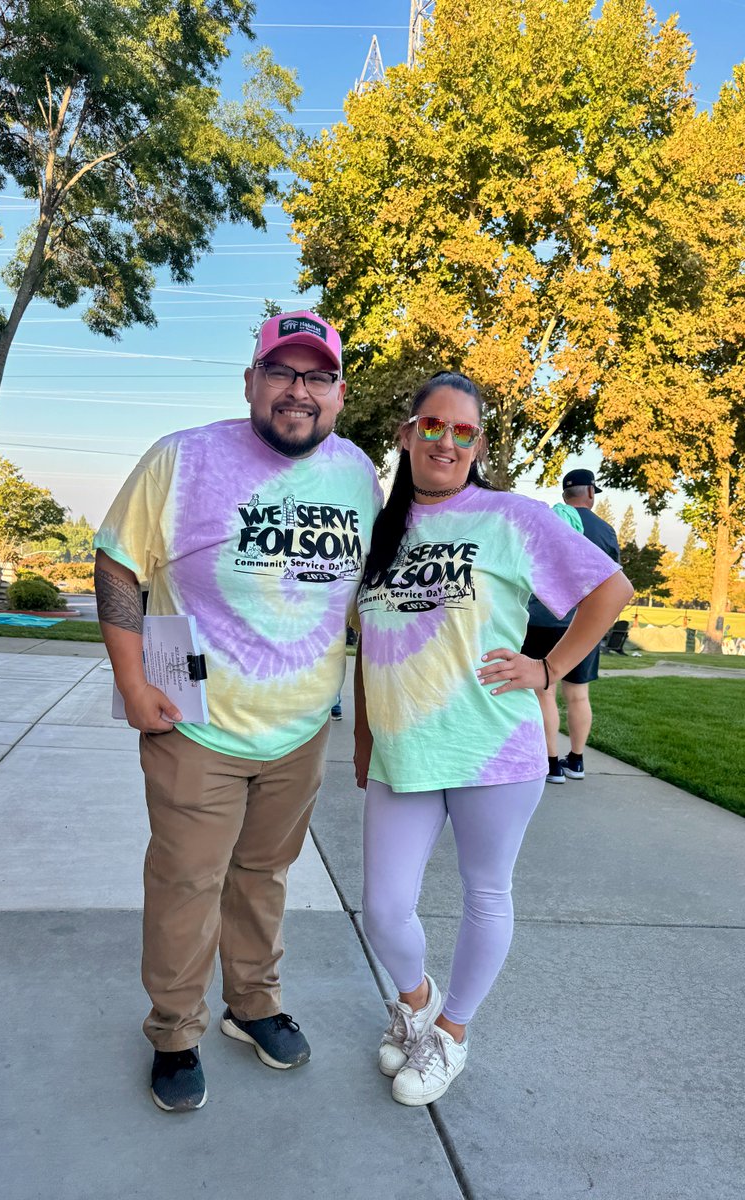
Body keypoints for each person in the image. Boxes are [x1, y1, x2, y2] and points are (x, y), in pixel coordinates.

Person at [94, 310, 382, 1112]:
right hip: (195, 722)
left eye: (316, 376)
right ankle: (176, 1031)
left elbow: (365, 599)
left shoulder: (358, 473)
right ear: (251, 382)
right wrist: (132, 677)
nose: (299, 390)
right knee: (188, 881)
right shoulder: (183, 457)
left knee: (263, 877)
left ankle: (251, 1005)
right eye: (282, 373)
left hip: (298, 730)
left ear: (339, 392)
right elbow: (119, 560)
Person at [352, 372, 632, 1107]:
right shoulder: (381, 529)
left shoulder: (511, 517)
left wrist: (549, 668)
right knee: (383, 907)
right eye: (432, 426)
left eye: (464, 431)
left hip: (492, 751)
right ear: (408, 435)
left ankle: (451, 1032)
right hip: (403, 752)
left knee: (485, 895)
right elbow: (369, 642)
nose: (447, 441)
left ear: (478, 444)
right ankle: (414, 1003)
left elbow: (612, 592)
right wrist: (362, 739)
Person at [522, 469, 622, 784]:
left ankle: (551, 764)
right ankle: (576, 761)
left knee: (544, 692)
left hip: (541, 620)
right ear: (590, 492)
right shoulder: (604, 531)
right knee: (578, 694)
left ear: (566, 494)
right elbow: (612, 583)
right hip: (582, 623)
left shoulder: (548, 521)